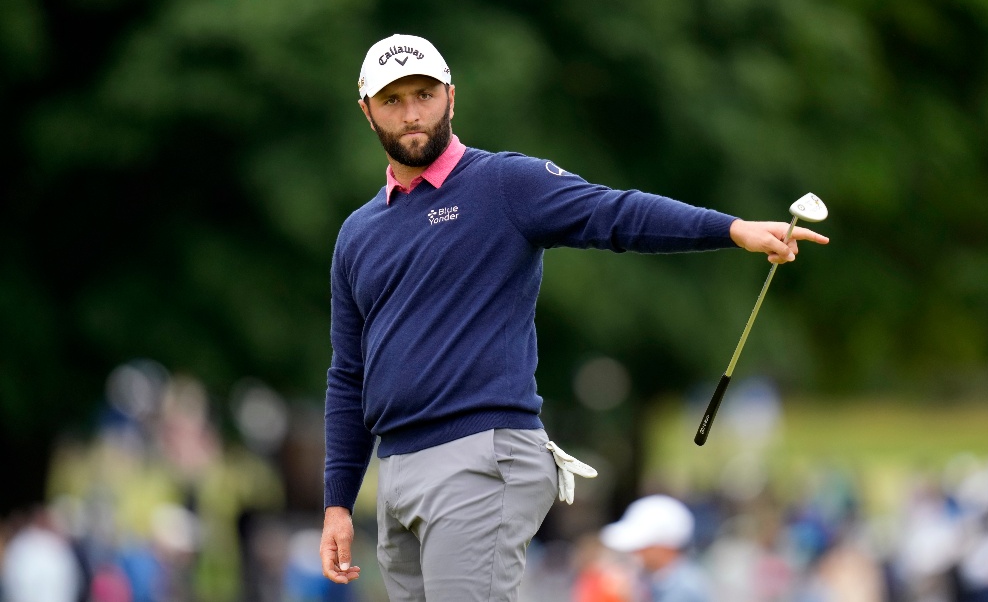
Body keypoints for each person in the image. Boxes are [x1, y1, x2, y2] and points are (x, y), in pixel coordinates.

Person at [319, 33, 829, 601]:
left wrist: (730, 229)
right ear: (367, 112)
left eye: (424, 94)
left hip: (479, 454)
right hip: (396, 471)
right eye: (393, 101)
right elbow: (349, 373)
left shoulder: (503, 184)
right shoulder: (358, 233)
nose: (412, 114)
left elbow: (613, 212)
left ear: (451, 97)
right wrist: (338, 501)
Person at [600, 495, 713, 602]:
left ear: (664, 546)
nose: (635, 552)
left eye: (643, 546)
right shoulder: (662, 581)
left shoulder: (684, 590)